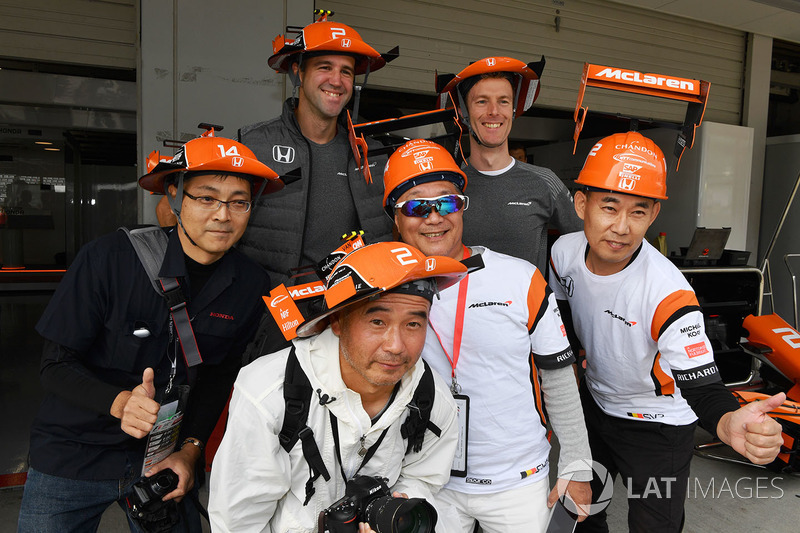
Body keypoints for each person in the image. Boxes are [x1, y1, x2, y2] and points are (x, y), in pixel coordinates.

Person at [18, 131, 281, 532]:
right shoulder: (108, 259)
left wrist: (191, 451)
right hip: (73, 454)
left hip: (163, 461)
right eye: (206, 198)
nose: (223, 215)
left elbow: (217, 378)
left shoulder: (250, 284)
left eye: (238, 202)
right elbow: (55, 365)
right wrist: (120, 402)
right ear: (174, 197)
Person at [548, 131, 787, 533]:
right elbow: (566, 310)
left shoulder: (668, 293)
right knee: (581, 514)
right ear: (581, 203)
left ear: (654, 214)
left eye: (638, 212)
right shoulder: (563, 253)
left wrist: (726, 420)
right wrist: (574, 358)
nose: (621, 227)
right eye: (609, 207)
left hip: (657, 427)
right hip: (593, 409)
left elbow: (703, 385)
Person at [382, 139, 593, 533]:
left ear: (462, 208)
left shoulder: (521, 278)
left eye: (446, 202)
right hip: (425, 479)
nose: (433, 217)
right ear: (396, 218)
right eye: (415, 206)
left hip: (517, 480)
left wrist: (577, 466)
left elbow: (559, 379)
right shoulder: (379, 286)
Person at [208, 241, 467, 532]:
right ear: (337, 322)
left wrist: (398, 509)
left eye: (413, 325)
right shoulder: (269, 392)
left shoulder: (432, 398)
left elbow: (425, 478)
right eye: (378, 321)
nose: (396, 346)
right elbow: (238, 523)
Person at [236, 15, 397, 286]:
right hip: (268, 309)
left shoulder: (376, 156)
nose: (336, 81)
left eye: (346, 71)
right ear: (298, 71)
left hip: (347, 307)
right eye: (325, 67)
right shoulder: (251, 146)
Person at [438, 56, 581, 270]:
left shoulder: (545, 181)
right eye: (482, 101)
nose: (494, 111)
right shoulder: (447, 186)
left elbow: (585, 244)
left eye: (503, 101)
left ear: (513, 110)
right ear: (463, 112)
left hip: (528, 303)